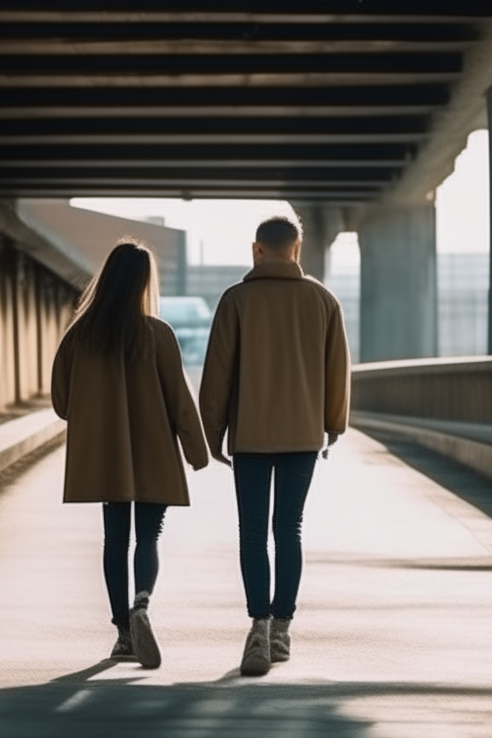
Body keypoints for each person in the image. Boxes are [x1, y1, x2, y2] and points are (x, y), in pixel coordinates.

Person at [199, 215, 350, 677]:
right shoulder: (323, 301)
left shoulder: (236, 300)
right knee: (289, 529)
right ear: (298, 249)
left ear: (256, 250)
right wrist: (332, 426)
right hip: (302, 435)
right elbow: (337, 370)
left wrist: (212, 432)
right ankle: (283, 627)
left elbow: (217, 373)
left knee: (251, 531)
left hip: (251, 435)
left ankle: (258, 628)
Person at [52, 240, 209, 669]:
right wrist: (199, 452)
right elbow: (179, 399)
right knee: (149, 537)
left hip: (108, 458)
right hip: (154, 452)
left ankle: (123, 632)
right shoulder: (158, 334)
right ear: (143, 282)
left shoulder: (80, 336)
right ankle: (142, 603)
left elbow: (62, 403)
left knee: (114, 540)